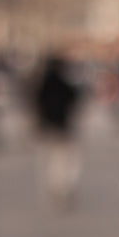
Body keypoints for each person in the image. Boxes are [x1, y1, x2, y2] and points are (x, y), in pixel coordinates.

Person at [32, 53, 84, 208]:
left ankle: (56, 187)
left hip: (50, 128)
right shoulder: (63, 84)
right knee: (63, 160)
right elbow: (74, 99)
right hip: (62, 127)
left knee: (52, 160)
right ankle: (62, 187)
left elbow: (37, 105)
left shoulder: (43, 85)